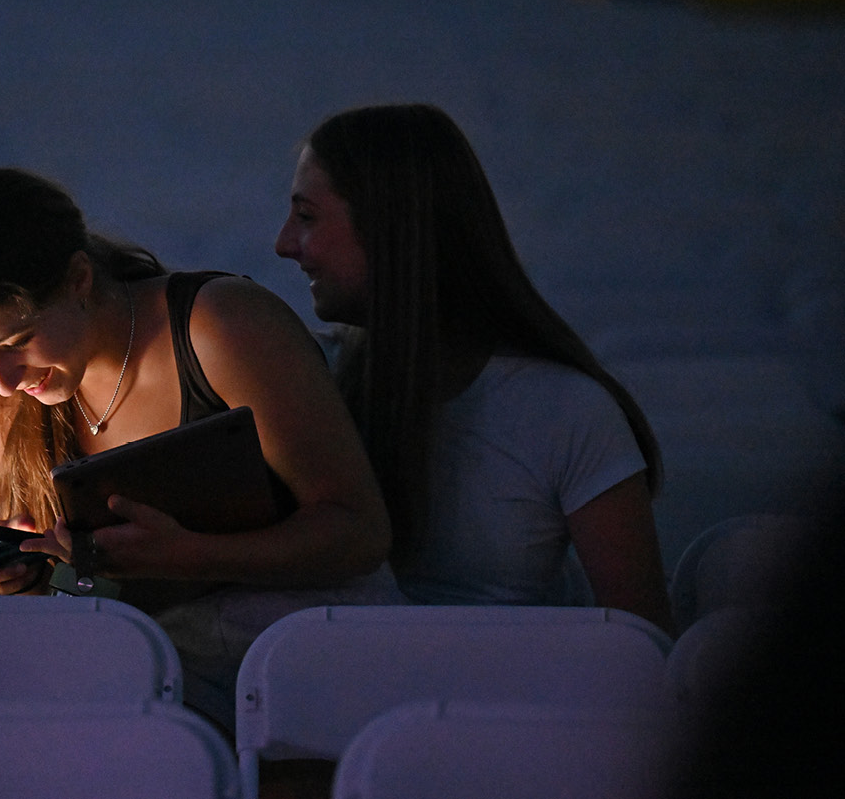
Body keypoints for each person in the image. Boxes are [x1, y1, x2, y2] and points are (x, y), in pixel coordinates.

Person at [0, 165, 398, 730]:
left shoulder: (217, 327)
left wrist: (186, 555)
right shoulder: (9, 418)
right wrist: (28, 583)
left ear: (79, 279)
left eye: (19, 341)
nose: (4, 379)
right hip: (154, 698)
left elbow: (361, 534)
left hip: (316, 660)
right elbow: (66, 624)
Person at [274, 103, 675, 637]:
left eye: (306, 217)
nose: (283, 244)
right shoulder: (307, 381)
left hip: (504, 710)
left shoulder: (565, 412)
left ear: (390, 225)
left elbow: (642, 648)